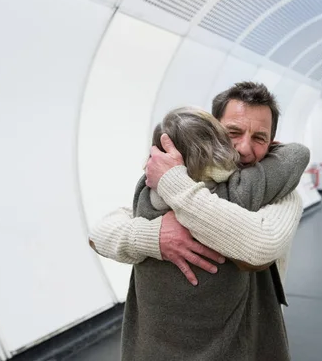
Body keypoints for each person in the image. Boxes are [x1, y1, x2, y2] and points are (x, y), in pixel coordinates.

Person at [89, 82, 310, 360]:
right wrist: (155, 236)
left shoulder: (281, 193)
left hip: (247, 336)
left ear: (273, 143)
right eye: (233, 132)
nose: (243, 148)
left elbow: (261, 244)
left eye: (259, 138)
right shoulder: (168, 182)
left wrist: (174, 184)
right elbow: (100, 232)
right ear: (213, 130)